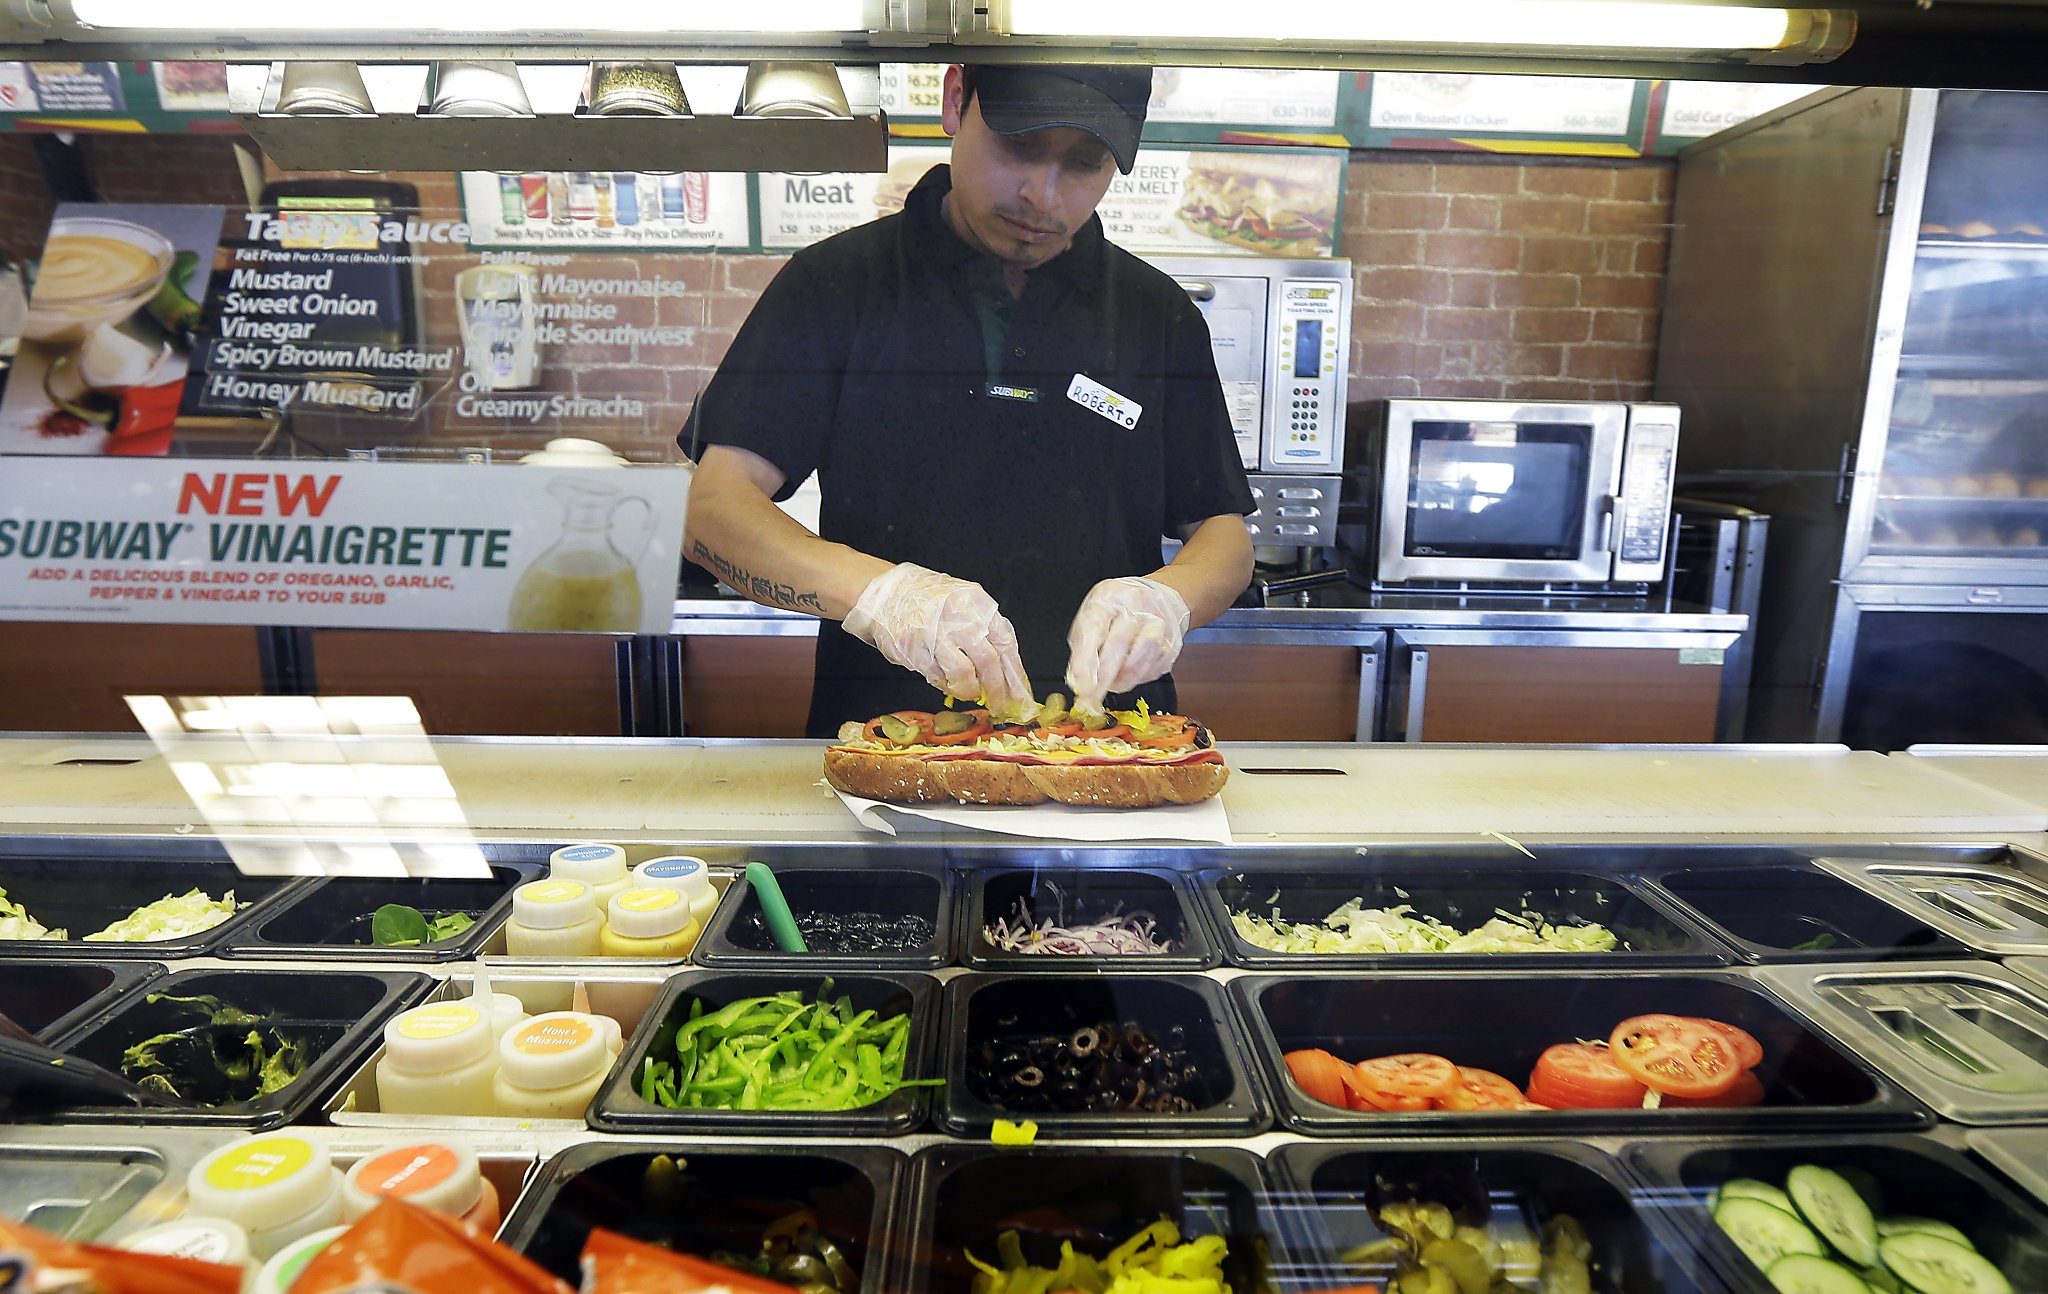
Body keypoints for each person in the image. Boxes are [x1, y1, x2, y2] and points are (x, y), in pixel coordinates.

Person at [681, 63, 1255, 737]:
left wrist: (1168, 601)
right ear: (956, 99)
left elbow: (1223, 534)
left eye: (1084, 163)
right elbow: (712, 510)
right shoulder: (836, 285)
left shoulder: (1156, 314)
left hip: (1111, 747)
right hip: (882, 742)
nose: (1042, 194)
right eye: (1020, 145)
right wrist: (881, 596)